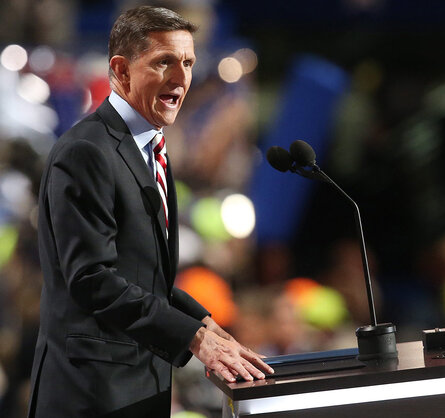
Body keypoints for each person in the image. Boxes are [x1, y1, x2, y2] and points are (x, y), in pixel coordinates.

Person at [27, 6, 272, 417]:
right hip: (91, 396)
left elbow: (141, 273)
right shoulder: (87, 151)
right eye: (164, 62)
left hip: (138, 388)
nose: (181, 78)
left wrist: (204, 323)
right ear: (121, 71)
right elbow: (93, 278)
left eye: (188, 62)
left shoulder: (150, 149)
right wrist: (193, 338)